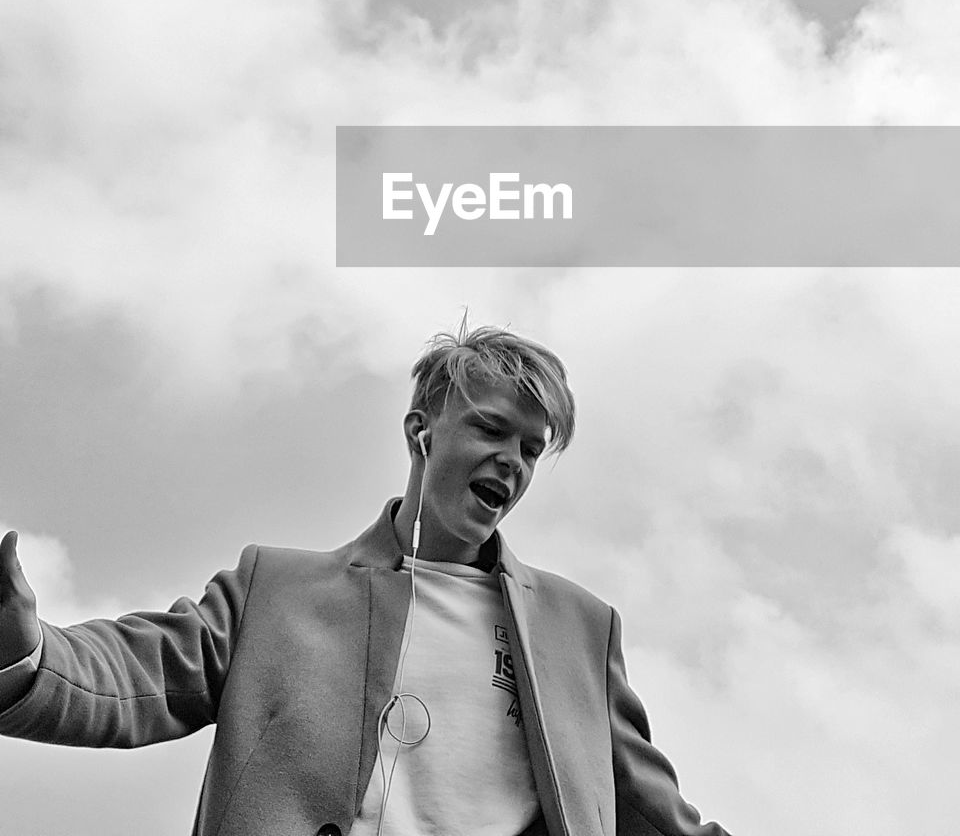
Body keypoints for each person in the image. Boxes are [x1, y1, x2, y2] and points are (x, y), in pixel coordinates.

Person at [0, 321, 731, 836]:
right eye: (489, 429)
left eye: (531, 449)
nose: (512, 460)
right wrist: (24, 652)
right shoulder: (275, 591)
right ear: (421, 431)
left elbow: (652, 813)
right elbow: (137, 673)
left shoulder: (580, 631)